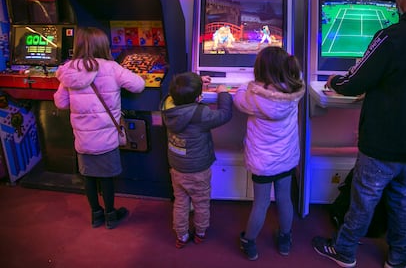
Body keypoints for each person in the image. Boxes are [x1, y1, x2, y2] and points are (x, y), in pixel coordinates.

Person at [312, 0, 406, 267]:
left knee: (363, 201)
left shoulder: (391, 36)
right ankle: (400, 257)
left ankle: (344, 252)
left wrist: (335, 81)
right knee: (404, 203)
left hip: (382, 143)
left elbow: (356, 81)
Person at [53, 27, 145, 229]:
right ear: (103, 45)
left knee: (88, 176)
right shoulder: (111, 67)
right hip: (106, 136)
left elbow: (60, 103)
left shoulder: (69, 71)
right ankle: (111, 215)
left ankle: (96, 215)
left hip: (83, 138)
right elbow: (139, 85)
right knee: (106, 177)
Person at [233, 46, 305, 260]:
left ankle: (250, 242)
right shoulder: (293, 93)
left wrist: (243, 87)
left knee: (261, 203)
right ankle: (284, 240)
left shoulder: (253, 98)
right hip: (286, 159)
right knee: (284, 199)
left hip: (262, 162)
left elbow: (237, 98)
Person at [160, 72, 233, 248]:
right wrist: (223, 93)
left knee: (181, 202)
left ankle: (182, 235)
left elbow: (176, 93)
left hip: (177, 166)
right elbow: (224, 114)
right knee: (201, 202)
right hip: (198, 168)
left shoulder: (167, 107)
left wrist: (196, 83)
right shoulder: (201, 113)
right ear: (199, 97)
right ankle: (200, 232)